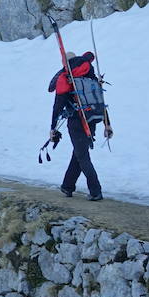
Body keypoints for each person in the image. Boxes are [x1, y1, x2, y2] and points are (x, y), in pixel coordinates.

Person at [50, 51, 105, 200]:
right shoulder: (89, 74)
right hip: (91, 118)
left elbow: (57, 106)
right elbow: (100, 100)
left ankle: (96, 191)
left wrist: (52, 128)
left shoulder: (66, 78)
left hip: (76, 121)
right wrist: (107, 124)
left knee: (82, 156)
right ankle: (67, 186)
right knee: (79, 153)